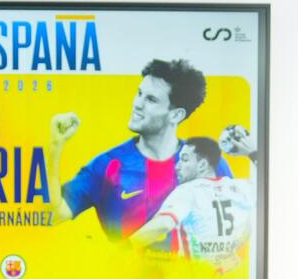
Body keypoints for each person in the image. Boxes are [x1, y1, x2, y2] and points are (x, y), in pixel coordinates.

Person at [48, 59, 227, 239]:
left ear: (176, 115)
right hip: (123, 258)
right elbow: (53, 215)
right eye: (140, 93)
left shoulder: (207, 161)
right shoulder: (107, 165)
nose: (137, 104)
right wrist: (55, 146)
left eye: (151, 99)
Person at [126, 136, 256, 272]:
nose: (177, 166)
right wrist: (252, 153)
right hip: (231, 277)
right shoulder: (242, 187)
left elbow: (164, 224)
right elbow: (266, 192)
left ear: (202, 165)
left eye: (184, 159)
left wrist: (124, 246)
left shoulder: (188, 190)